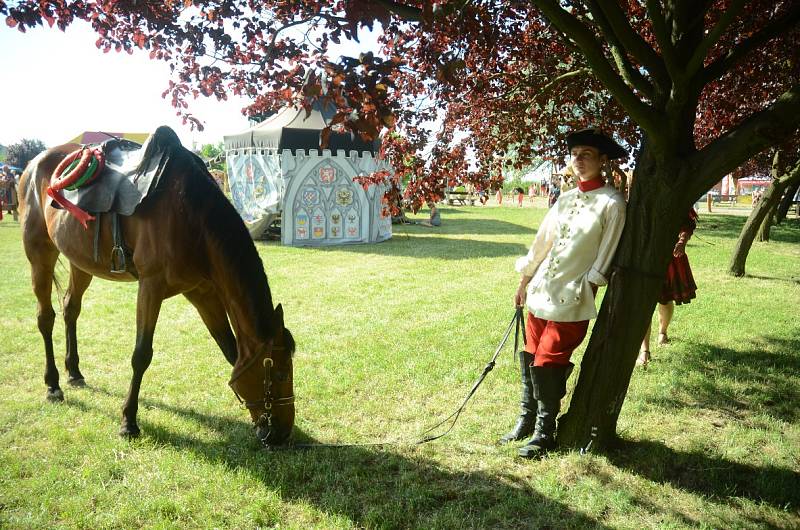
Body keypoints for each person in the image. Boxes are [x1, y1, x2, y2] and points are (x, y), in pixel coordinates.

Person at [501, 127, 627, 458]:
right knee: (530, 356)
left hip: (572, 299)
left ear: (603, 160)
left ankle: (545, 432)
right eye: (575, 155)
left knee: (549, 360)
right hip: (541, 291)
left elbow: (606, 257)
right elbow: (543, 242)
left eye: (587, 155)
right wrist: (524, 280)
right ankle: (526, 420)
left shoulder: (612, 203)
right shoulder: (566, 198)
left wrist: (590, 285)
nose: (579, 160)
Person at [637, 209, 698, 366]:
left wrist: (682, 241)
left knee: (665, 300)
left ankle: (662, 333)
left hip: (668, 256)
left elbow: (688, 222)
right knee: (643, 305)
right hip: (641, 255)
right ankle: (645, 351)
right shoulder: (629, 191)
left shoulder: (676, 192)